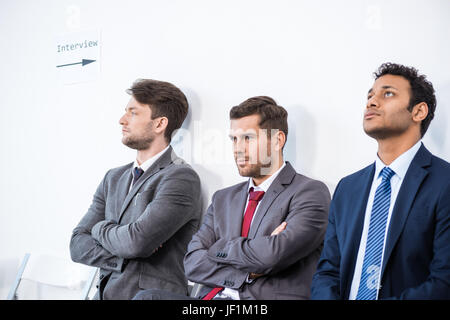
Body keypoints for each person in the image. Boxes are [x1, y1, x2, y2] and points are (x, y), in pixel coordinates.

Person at [134, 96, 331, 300]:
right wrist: (248, 270)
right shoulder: (223, 198)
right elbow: (192, 263)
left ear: (277, 140)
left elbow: (272, 255)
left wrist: (218, 247)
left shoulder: (310, 192)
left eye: (248, 138)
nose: (238, 148)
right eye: (234, 139)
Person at [311, 63, 450, 299]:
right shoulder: (347, 188)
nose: (371, 102)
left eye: (387, 94)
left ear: (418, 112)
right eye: (370, 96)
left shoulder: (444, 182)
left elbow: (444, 282)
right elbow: (327, 272)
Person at [70, 79, 202, 300]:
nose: (122, 120)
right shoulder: (113, 178)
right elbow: (77, 245)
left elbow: (136, 243)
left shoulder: (180, 177)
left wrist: (99, 228)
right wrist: (123, 253)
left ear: (160, 124)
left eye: (133, 113)